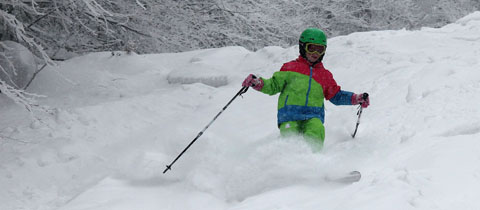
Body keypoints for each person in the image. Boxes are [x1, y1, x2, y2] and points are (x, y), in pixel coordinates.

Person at [242, 28, 369, 149]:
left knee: (316, 129)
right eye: (311, 48)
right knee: (290, 133)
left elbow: (336, 96)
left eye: (320, 49)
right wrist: (257, 83)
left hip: (313, 116)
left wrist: (356, 98)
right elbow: (273, 85)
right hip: (289, 115)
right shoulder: (290, 68)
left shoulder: (324, 75)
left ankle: (311, 164)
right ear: (302, 47)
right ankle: (285, 165)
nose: (315, 53)